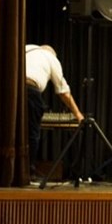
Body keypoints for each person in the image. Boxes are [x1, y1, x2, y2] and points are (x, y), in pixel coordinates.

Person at [25, 44, 84, 176]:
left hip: (8, 89)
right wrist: (78, 114)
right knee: (31, 133)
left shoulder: (26, 48)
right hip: (29, 90)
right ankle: (27, 172)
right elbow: (63, 92)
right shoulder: (51, 58)